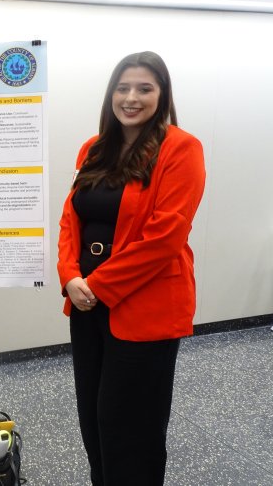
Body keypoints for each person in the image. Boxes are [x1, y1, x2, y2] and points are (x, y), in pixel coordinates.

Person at [56, 51, 205, 485]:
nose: (131, 98)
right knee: (94, 419)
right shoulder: (94, 147)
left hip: (145, 306)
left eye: (144, 88)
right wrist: (69, 275)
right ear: (111, 94)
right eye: (123, 88)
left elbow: (166, 235)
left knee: (131, 427)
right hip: (86, 304)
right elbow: (72, 217)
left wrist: (98, 284)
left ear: (162, 94)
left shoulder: (181, 148)